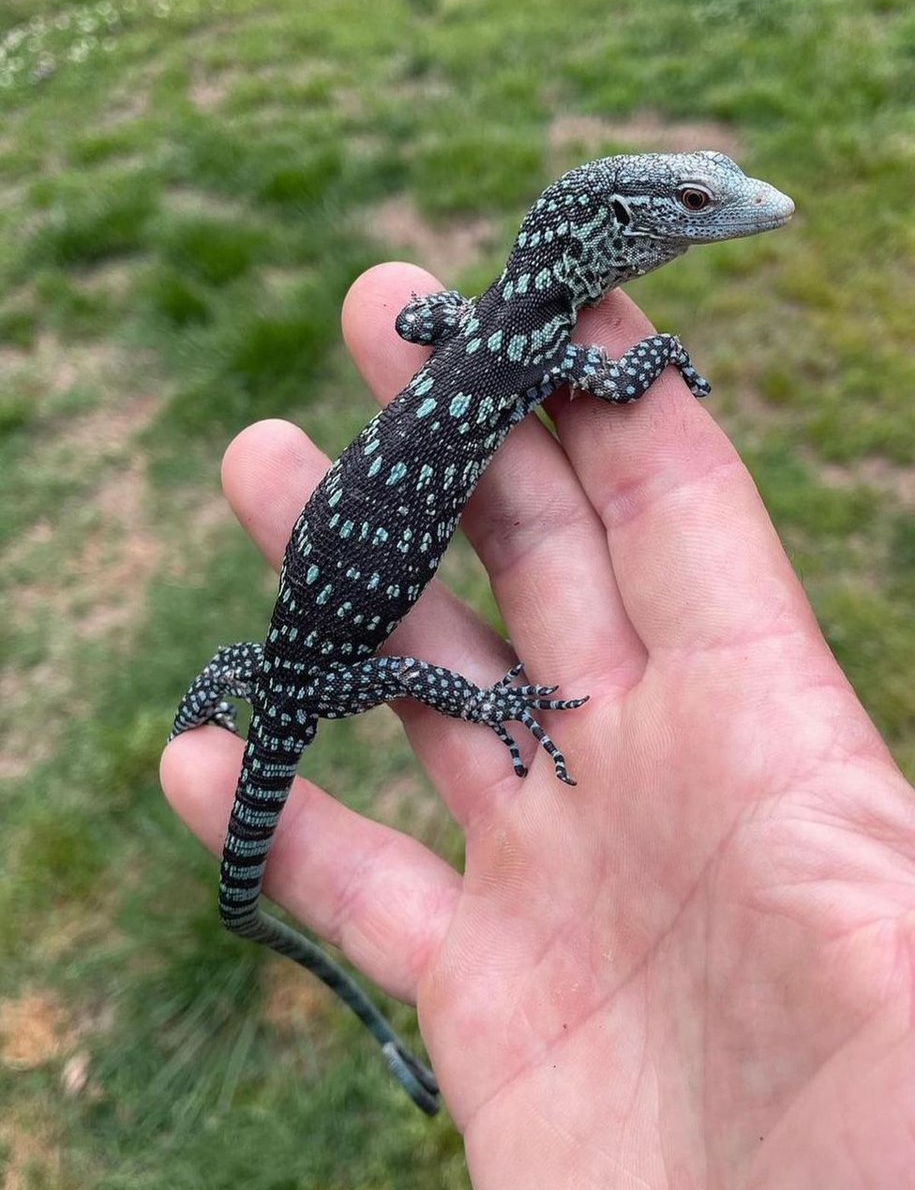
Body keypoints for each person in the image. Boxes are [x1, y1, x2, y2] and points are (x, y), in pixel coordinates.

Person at [161, 262, 915, 1188]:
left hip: (278, 656)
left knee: (265, 681)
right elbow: (620, 379)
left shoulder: (486, 328)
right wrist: (661, 354)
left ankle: (199, 729)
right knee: (387, 679)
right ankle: (442, 731)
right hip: (320, 663)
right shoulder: (530, 343)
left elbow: (419, 316)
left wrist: (455, 320)